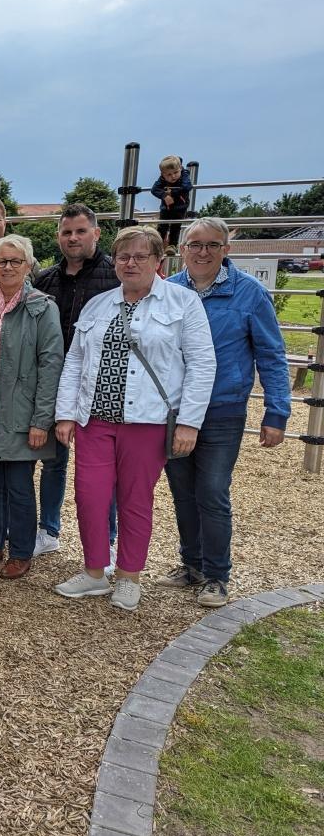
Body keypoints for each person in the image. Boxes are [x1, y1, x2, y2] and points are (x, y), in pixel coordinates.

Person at [54, 226, 216, 611]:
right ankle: (94, 571)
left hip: (147, 421)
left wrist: (190, 421)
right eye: (124, 256)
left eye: (140, 256)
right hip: (94, 418)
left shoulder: (182, 303)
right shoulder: (99, 305)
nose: (131, 263)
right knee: (89, 495)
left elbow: (202, 363)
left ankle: (129, 576)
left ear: (158, 261)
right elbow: (75, 360)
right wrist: (65, 413)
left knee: (135, 498)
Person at [158, 218, 290, 607]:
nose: (202, 252)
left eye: (212, 245)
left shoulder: (248, 294)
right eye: (195, 245)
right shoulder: (168, 291)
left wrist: (276, 411)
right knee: (182, 490)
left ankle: (217, 575)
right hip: (175, 409)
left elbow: (271, 353)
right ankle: (192, 564)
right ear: (182, 249)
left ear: (226, 250)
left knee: (212, 492)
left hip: (222, 409)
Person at [0, 234, 64, 581]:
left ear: (29, 266)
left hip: (20, 414)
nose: (6, 267)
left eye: (14, 261)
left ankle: (20, 551)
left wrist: (41, 420)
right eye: (1, 261)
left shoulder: (41, 308)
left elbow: (51, 366)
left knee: (19, 486)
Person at [32, 204, 120, 559]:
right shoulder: (46, 280)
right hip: (54, 383)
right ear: (59, 237)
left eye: (80, 231)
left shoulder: (114, 278)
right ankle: (48, 528)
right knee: (52, 461)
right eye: (67, 232)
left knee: (101, 469)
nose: (73, 238)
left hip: (98, 385)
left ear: (96, 233)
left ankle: (106, 542)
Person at [150, 155, 193, 247]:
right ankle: (158, 246)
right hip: (166, 207)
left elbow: (187, 187)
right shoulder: (162, 179)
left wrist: (172, 193)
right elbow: (154, 189)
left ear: (180, 168)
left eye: (176, 172)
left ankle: (172, 246)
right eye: (169, 174)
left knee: (175, 227)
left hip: (180, 207)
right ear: (163, 175)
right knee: (162, 226)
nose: (173, 176)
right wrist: (165, 195)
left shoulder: (184, 175)